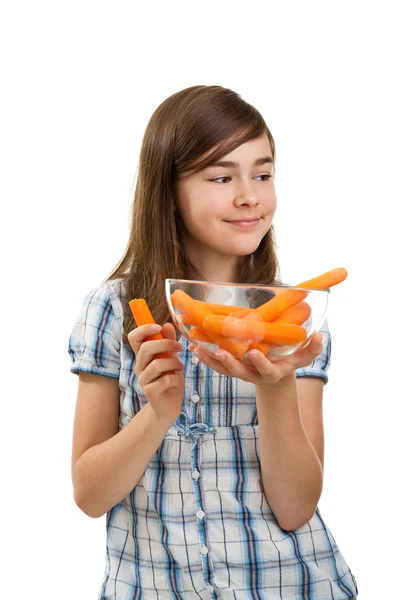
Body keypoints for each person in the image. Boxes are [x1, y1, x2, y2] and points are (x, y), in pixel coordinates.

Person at [68, 85, 359, 599]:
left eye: (263, 175)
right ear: (169, 193)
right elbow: (90, 496)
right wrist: (157, 413)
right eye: (222, 177)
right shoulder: (113, 310)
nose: (249, 195)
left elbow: (295, 508)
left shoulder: (296, 319)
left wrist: (276, 388)